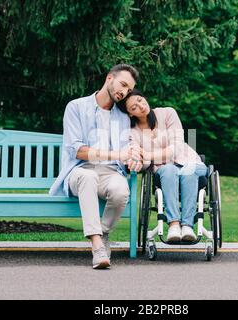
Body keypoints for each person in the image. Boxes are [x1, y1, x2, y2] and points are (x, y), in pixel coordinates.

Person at [49, 64, 141, 269]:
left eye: (128, 89)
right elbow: (77, 150)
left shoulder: (122, 116)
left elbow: (126, 150)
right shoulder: (76, 107)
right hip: (79, 170)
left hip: (110, 172)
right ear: (109, 78)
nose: (124, 92)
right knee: (88, 177)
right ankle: (98, 246)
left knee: (120, 191)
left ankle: (103, 231)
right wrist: (117, 154)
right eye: (123, 84)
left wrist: (133, 158)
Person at [117, 89, 207, 242]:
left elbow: (176, 148)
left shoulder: (167, 113)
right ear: (130, 114)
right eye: (134, 108)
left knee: (188, 171)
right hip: (165, 171)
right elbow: (142, 161)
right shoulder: (133, 132)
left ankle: (187, 226)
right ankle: (173, 225)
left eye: (140, 100)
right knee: (168, 169)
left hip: (190, 161)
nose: (140, 105)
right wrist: (137, 161)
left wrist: (147, 154)